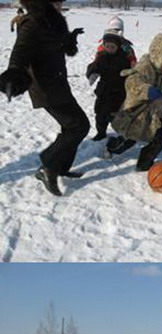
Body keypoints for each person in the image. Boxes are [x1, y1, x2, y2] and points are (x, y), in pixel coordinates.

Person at [0, 0, 88, 196]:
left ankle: (61, 167)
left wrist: (70, 38)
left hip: (58, 84)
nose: (59, 6)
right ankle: (48, 166)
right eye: (55, 3)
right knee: (79, 126)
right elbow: (19, 53)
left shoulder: (53, 21)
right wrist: (14, 73)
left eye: (60, 3)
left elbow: (60, 46)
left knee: (71, 126)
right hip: (45, 88)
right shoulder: (33, 23)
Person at [106, 33, 162, 171]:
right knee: (129, 139)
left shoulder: (161, 70)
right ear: (159, 56)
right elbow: (131, 82)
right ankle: (112, 146)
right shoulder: (145, 67)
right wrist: (147, 90)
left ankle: (144, 162)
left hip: (151, 113)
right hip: (136, 113)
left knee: (161, 137)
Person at [85, 32, 131, 141]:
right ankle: (101, 133)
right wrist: (92, 73)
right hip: (103, 92)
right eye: (107, 46)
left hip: (118, 92)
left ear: (117, 47)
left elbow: (129, 72)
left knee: (115, 115)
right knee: (100, 115)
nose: (110, 49)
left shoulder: (123, 58)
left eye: (113, 47)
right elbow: (93, 67)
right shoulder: (101, 57)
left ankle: (123, 133)